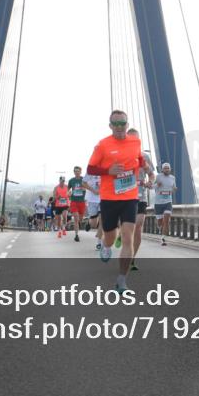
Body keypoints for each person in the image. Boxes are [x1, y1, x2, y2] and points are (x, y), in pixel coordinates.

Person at [87, 109, 154, 292]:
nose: (119, 127)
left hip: (130, 197)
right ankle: (106, 247)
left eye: (122, 123)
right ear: (110, 126)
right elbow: (91, 168)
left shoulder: (135, 142)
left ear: (127, 124)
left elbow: (140, 159)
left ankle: (122, 280)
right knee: (111, 236)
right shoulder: (102, 145)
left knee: (127, 237)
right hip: (109, 197)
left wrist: (148, 172)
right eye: (115, 124)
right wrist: (108, 171)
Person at [126, 129, 156, 271]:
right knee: (127, 228)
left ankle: (132, 258)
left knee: (138, 227)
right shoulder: (121, 156)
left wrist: (150, 182)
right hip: (124, 197)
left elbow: (151, 174)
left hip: (140, 196)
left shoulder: (144, 156)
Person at [153, 162, 176, 246]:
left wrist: (174, 189)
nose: (166, 169)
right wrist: (157, 185)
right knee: (160, 222)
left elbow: (173, 187)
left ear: (170, 169)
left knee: (166, 221)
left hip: (168, 201)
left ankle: (163, 239)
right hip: (158, 202)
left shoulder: (173, 178)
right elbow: (152, 186)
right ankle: (160, 228)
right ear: (162, 169)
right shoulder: (158, 176)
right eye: (165, 168)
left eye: (168, 168)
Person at [83, 172, 103, 250]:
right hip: (91, 199)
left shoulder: (105, 169)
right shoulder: (90, 170)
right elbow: (84, 183)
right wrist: (93, 190)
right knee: (94, 225)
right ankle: (89, 221)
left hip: (103, 198)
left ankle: (99, 242)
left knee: (102, 221)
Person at [67, 166, 87, 242]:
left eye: (78, 171)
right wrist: (68, 193)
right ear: (74, 172)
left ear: (80, 172)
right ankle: (76, 235)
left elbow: (88, 188)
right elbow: (68, 189)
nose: (77, 172)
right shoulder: (71, 180)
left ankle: (79, 223)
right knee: (76, 218)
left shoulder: (84, 179)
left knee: (80, 219)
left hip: (82, 201)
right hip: (74, 201)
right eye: (75, 171)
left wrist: (84, 188)